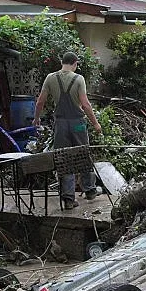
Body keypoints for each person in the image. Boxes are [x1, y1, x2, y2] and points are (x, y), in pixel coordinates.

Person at [33, 52, 102, 209]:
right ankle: (90, 190)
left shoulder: (50, 78)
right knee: (83, 154)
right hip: (78, 124)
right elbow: (85, 104)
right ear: (75, 63)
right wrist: (96, 123)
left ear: (62, 62)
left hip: (61, 125)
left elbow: (40, 102)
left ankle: (69, 199)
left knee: (64, 159)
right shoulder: (78, 79)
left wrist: (36, 119)